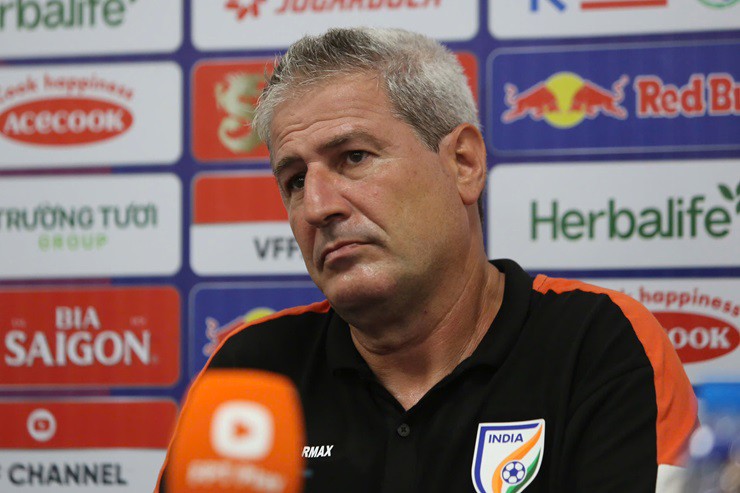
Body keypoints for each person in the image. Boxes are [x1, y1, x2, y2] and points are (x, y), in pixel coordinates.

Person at [158, 27, 697, 492]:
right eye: (296, 180)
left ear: (463, 163)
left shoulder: (599, 343)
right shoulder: (251, 371)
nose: (318, 206)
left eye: (353, 157)